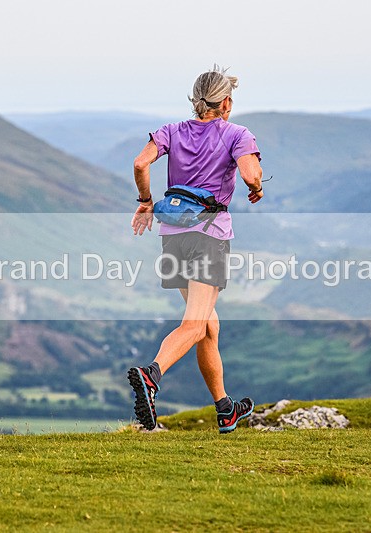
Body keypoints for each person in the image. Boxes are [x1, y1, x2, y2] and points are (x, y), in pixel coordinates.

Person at [128, 65, 264, 433]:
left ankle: (225, 408)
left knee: (209, 325)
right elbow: (251, 175)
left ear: (195, 100)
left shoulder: (171, 132)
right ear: (227, 102)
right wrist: (256, 185)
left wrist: (145, 201)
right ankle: (151, 375)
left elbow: (141, 162)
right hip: (209, 235)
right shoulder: (237, 134)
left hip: (173, 235)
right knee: (195, 323)